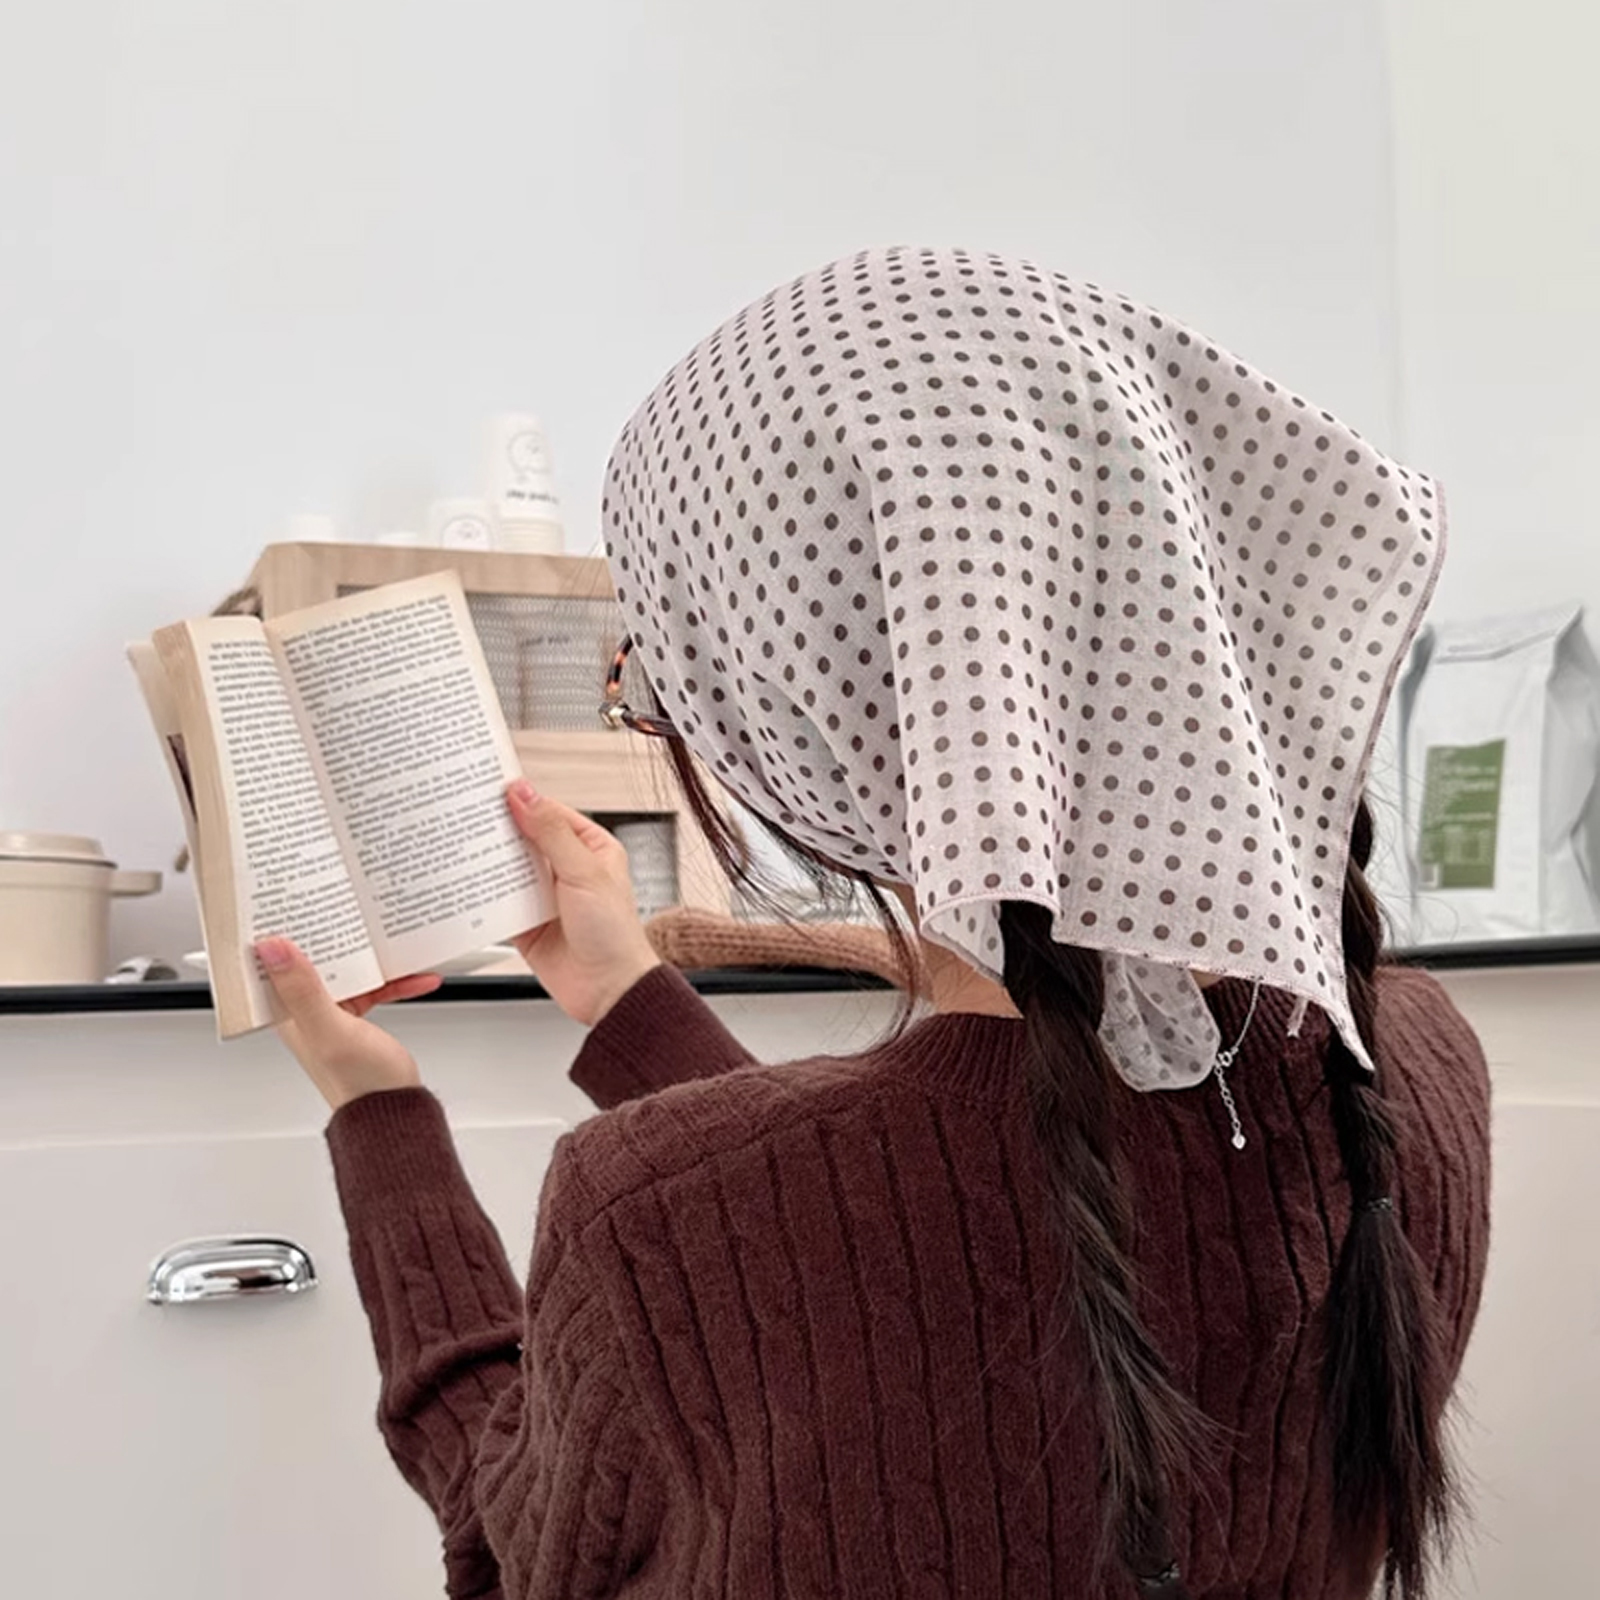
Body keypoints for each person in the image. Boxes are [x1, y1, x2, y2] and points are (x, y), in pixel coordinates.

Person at [257, 248, 1490, 1599]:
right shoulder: (1417, 1070)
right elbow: (899, 1257)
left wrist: (381, 1122)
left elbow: (515, 1558)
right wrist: (630, 1004)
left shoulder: (650, 1215)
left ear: (782, 714)